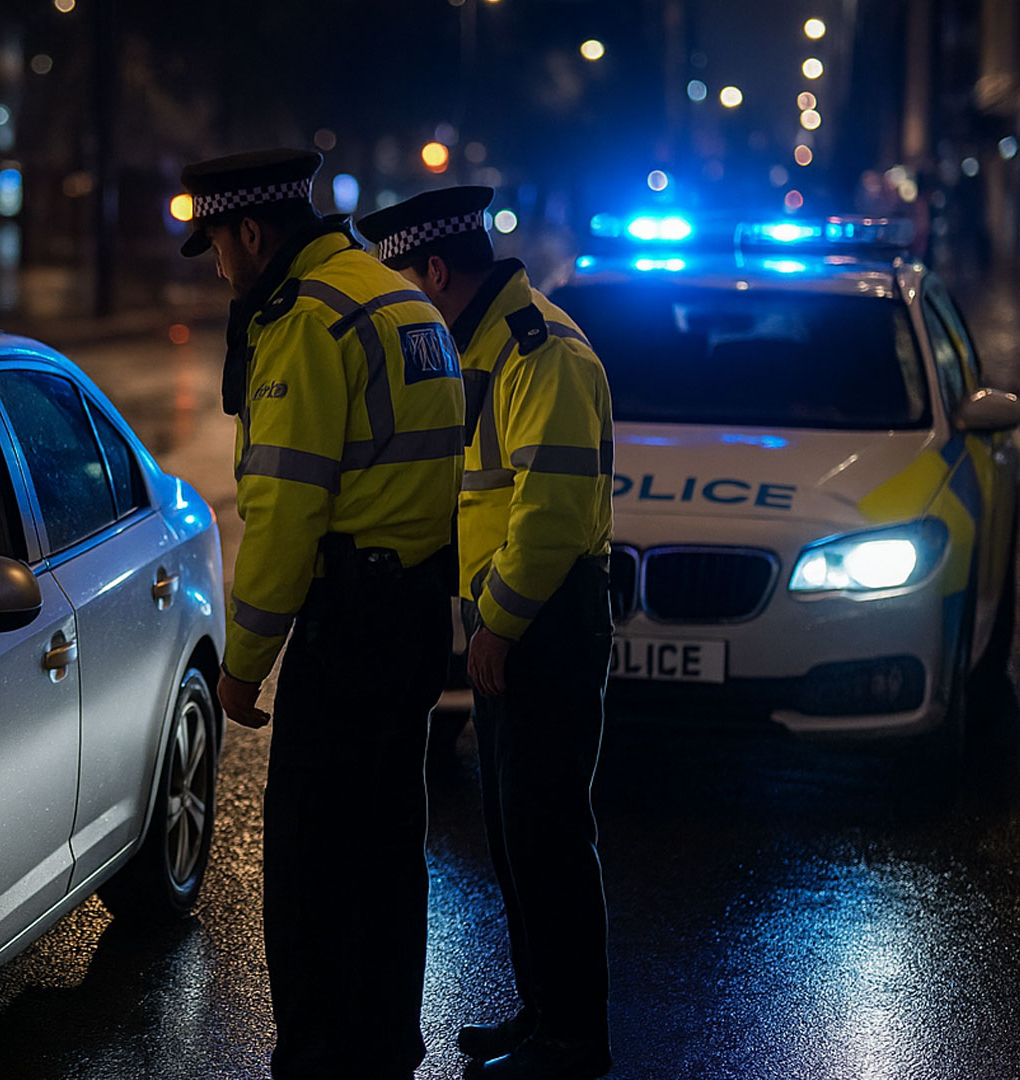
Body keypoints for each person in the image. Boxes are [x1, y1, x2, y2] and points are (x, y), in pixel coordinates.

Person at [179, 148, 463, 1079]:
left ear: (252, 233)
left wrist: (244, 663)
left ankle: (315, 1060)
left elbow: (287, 509)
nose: (218, 266)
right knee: (388, 850)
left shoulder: (307, 322)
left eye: (217, 244)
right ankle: (384, 1047)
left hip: (350, 625)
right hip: (417, 607)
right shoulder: (397, 299)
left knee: (307, 861)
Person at [359, 187, 616, 1080]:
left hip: (545, 623)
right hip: (520, 622)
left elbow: (549, 514)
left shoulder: (538, 352)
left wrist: (495, 626)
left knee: (547, 838)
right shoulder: (491, 345)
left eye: (407, 280)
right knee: (516, 839)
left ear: (436, 271)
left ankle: (574, 1039)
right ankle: (542, 1012)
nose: (406, 300)